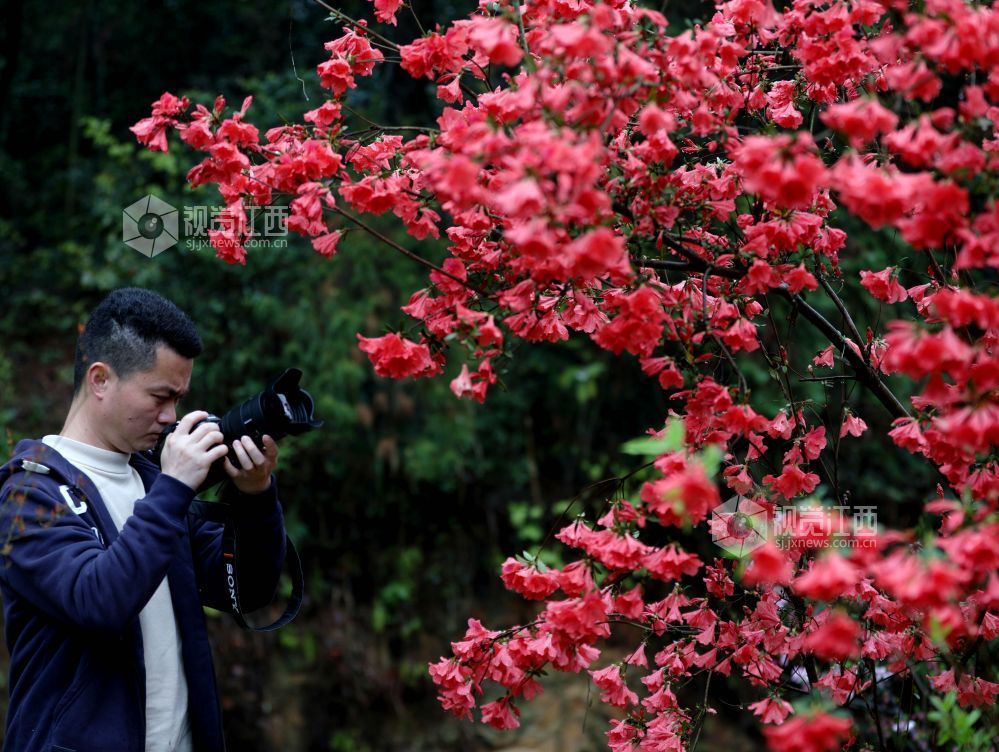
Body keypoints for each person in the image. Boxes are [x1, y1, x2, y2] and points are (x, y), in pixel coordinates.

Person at [0, 287, 288, 752]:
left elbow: (248, 589)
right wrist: (175, 488)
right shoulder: (29, 495)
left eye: (178, 398)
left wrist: (254, 497)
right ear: (100, 380)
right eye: (160, 396)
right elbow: (99, 601)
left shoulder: (155, 484)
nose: (170, 416)